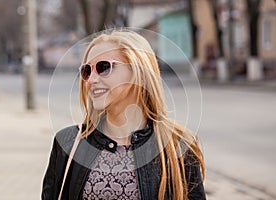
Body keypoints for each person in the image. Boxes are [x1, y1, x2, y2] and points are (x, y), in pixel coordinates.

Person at [42, 29, 206, 200]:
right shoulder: (67, 142)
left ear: (138, 72)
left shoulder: (178, 145)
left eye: (104, 67)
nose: (90, 80)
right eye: (87, 71)